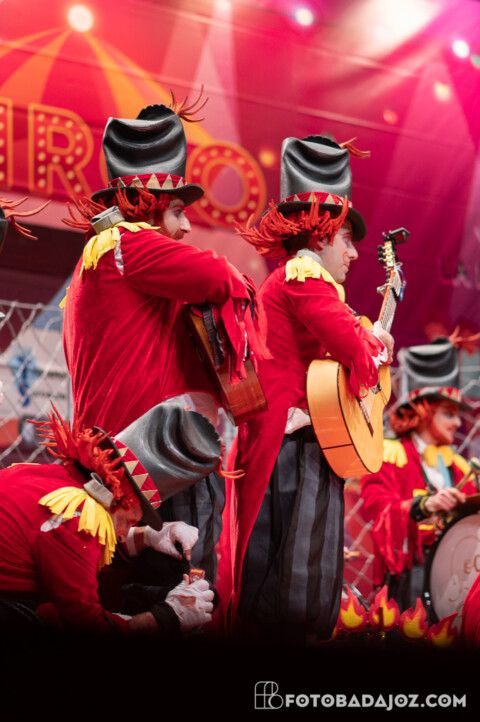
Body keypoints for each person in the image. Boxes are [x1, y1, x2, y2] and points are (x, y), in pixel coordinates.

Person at [61, 94, 268, 584]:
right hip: (158, 462)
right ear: (150, 208)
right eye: (177, 211)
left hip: (125, 464)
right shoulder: (128, 245)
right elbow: (222, 276)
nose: (187, 225)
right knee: (181, 596)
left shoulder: (100, 257)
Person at [222, 134, 394, 643]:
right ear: (319, 237)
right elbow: (358, 352)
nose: (355, 253)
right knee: (288, 594)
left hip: (296, 442)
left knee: (286, 582)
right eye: (346, 239)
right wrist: (379, 343)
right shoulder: (303, 275)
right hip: (292, 447)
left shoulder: (303, 281)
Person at [0, 400, 224, 636]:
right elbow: (87, 625)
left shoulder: (56, 477)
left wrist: (147, 537)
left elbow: (72, 552)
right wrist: (169, 615)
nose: (124, 532)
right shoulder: (75, 517)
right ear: (120, 499)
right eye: (131, 522)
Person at [360, 385, 476, 615]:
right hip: (410, 568)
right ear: (424, 415)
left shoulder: (458, 465)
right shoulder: (390, 453)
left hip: (457, 567)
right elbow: (377, 506)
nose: (457, 423)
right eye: (449, 414)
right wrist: (423, 505)